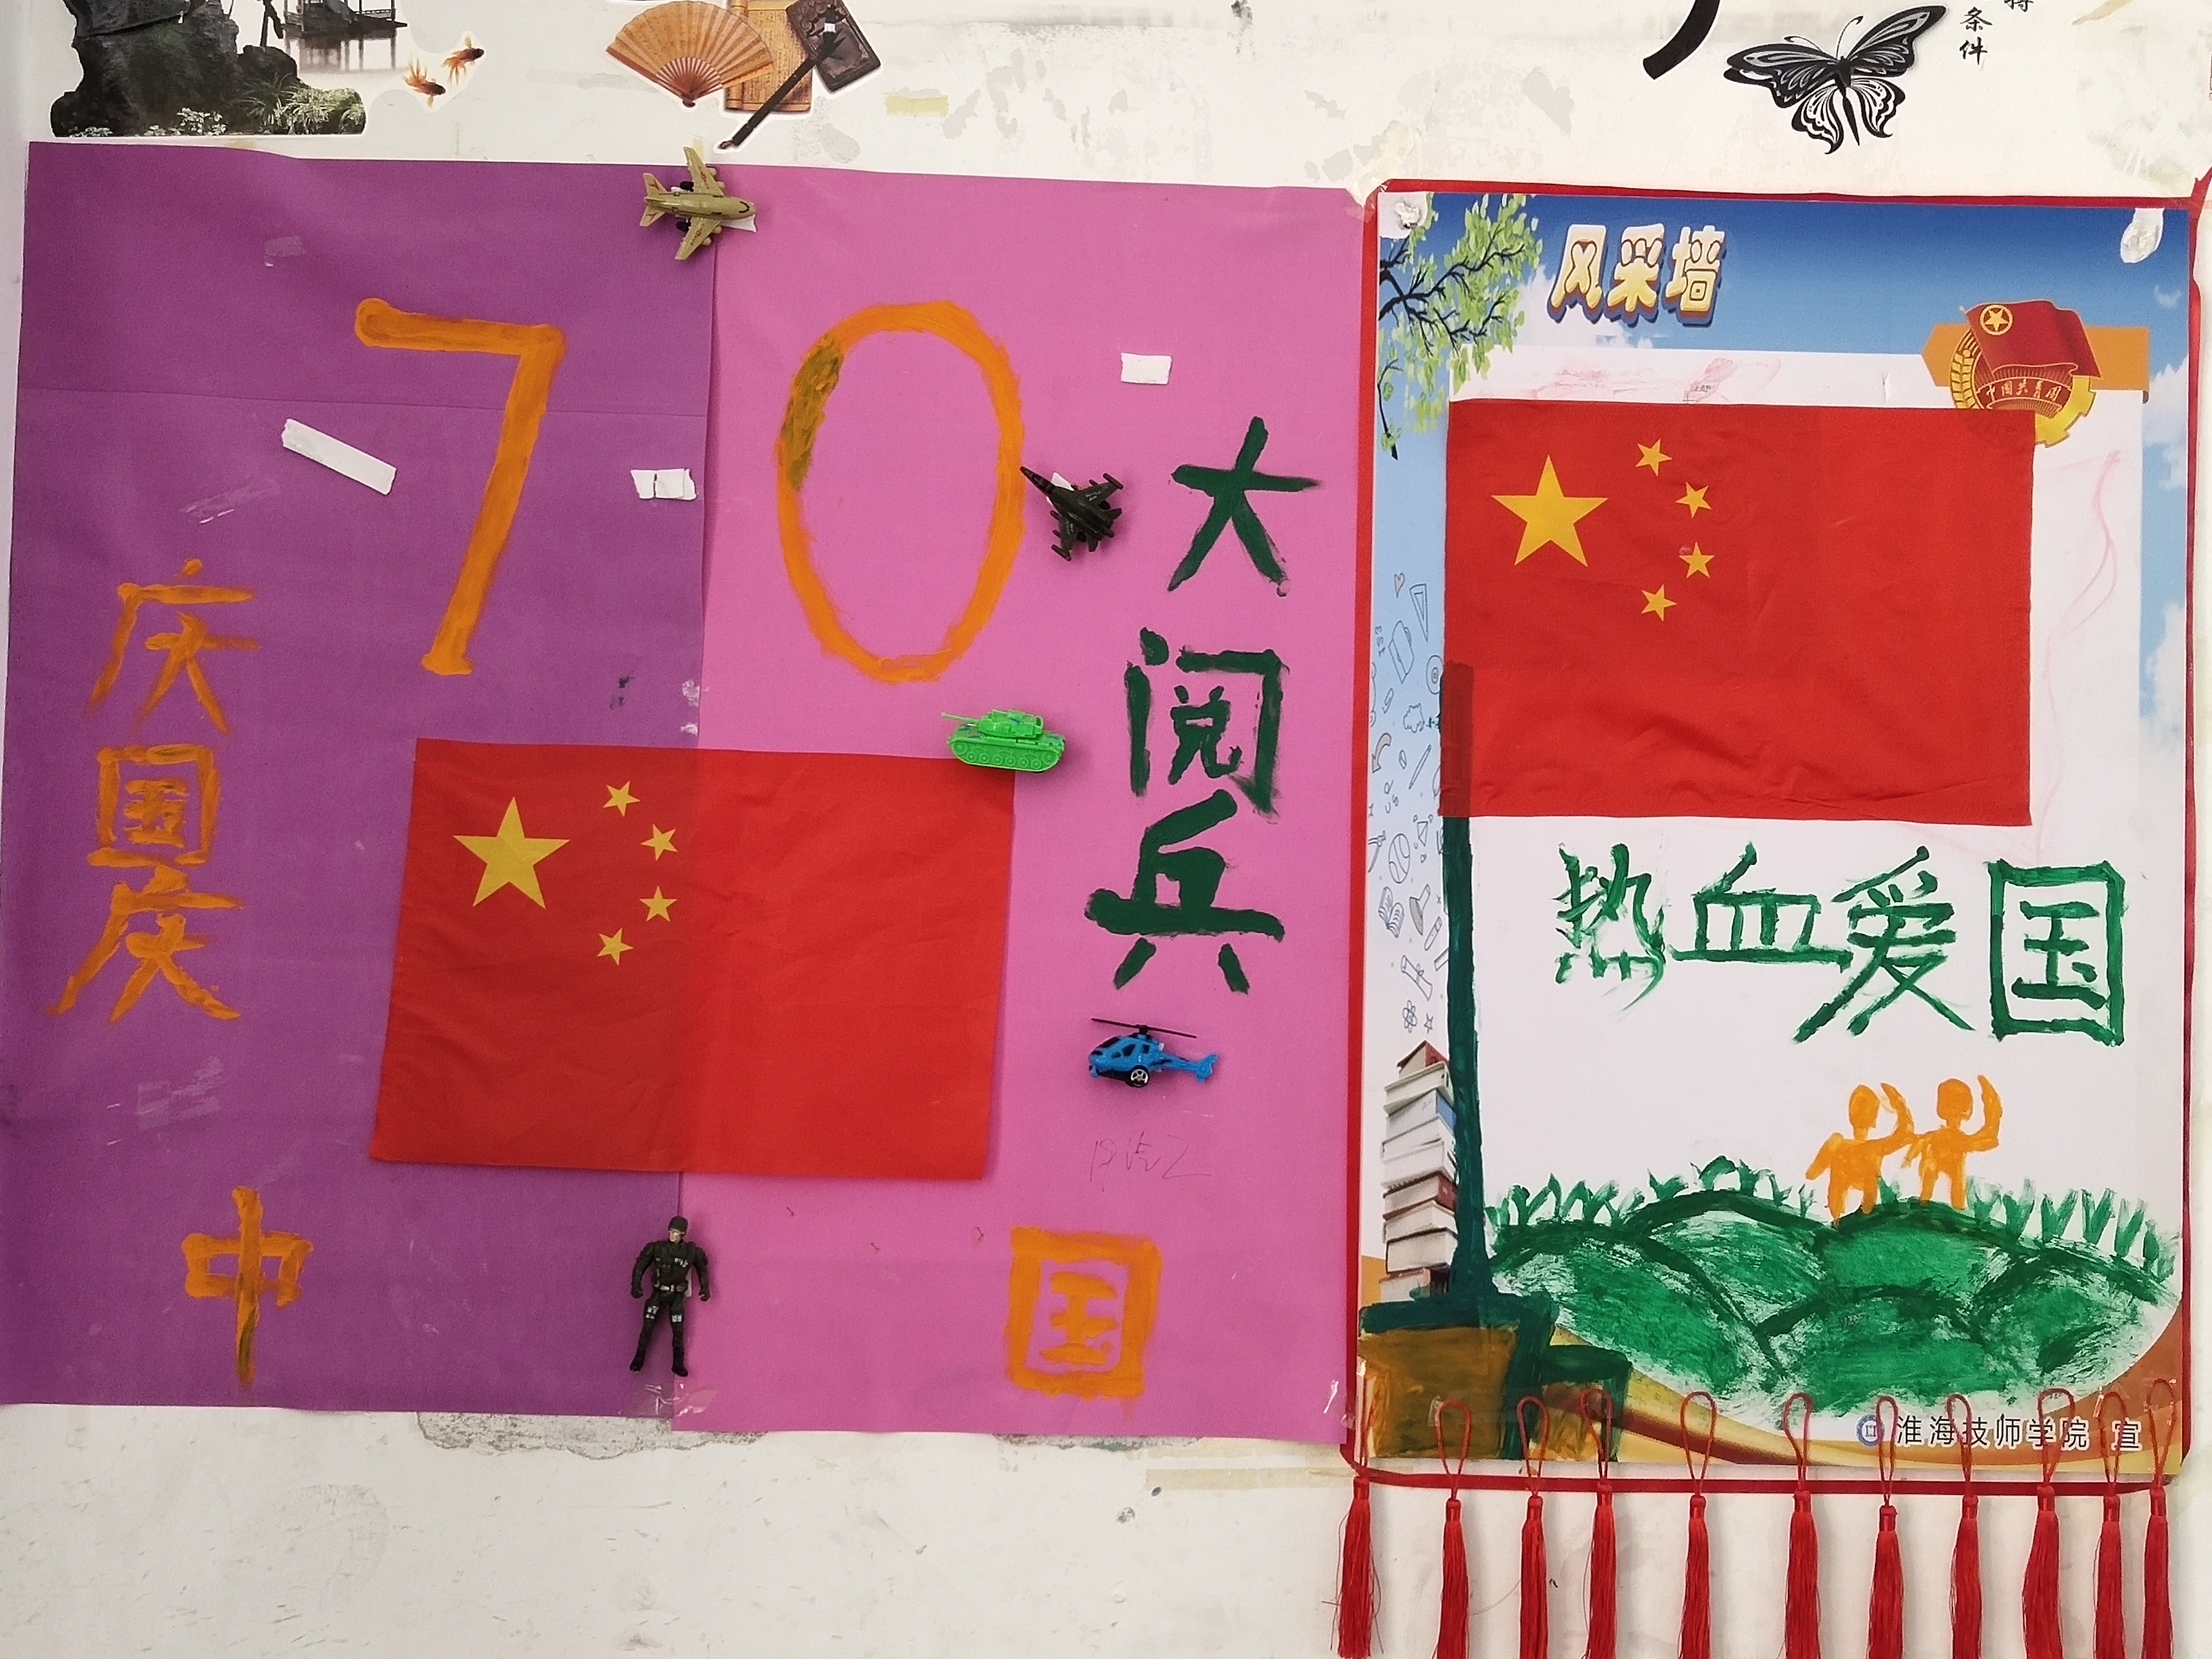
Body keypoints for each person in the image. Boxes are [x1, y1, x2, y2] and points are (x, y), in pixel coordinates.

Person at [1806, 1084, 1914, 1221]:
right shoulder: (1874, 1148)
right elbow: (1906, 1133)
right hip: (1865, 1215)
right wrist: (1900, 1104)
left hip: (1838, 1217)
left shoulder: (1837, 1144)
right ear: (1874, 1118)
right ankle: (1863, 1213)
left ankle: (1840, 1218)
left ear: (1851, 1114)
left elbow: (1812, 1174)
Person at [630, 1216, 710, 1376]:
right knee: (647, 1328)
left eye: (676, 1232)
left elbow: (702, 1268)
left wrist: (705, 1287)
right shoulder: (657, 1248)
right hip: (659, 1293)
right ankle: (639, 1359)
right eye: (671, 1231)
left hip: (677, 1296)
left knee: (679, 1332)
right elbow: (641, 1264)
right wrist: (636, 1284)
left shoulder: (691, 1252)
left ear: (682, 1234)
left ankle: (678, 1364)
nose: (672, 1235)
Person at [1905, 1075, 2002, 1209]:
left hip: (1951, 1158)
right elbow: (1989, 1138)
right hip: (1935, 1155)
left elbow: (1989, 1139)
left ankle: (1947, 1207)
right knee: (1932, 1183)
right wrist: (1910, 1157)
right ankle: (1929, 1205)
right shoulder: (1944, 1138)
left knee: (1956, 1186)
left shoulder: (1957, 1140)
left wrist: (1910, 1157)